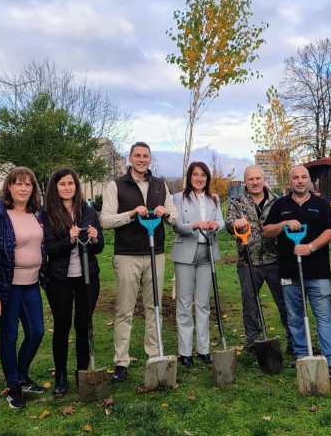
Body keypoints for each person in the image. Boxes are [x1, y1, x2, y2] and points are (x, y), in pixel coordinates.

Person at [100, 142, 178, 383]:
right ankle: (121, 361)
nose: (141, 159)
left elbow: (175, 217)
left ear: (150, 160)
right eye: (137, 156)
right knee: (124, 309)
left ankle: (154, 355)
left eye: (145, 156)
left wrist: (166, 213)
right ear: (130, 158)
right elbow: (105, 220)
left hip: (155, 254)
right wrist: (132, 213)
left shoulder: (160, 185)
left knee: (154, 306)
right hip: (127, 255)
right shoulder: (116, 185)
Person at [263, 166, 331, 379]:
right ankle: (301, 355)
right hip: (290, 271)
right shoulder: (280, 205)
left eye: (304, 177)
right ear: (289, 182)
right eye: (295, 178)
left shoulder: (321, 204)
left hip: (318, 272)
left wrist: (310, 247)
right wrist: (283, 223)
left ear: (310, 181)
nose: (300, 181)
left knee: (323, 315)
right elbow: (266, 231)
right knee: (295, 316)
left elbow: (330, 231)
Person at [0, 167, 47, 409]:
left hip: (31, 285)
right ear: (9, 186)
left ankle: (22, 375)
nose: (23, 188)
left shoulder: (37, 212)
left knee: (36, 332)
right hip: (7, 287)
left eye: (28, 184)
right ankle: (13, 386)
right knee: (9, 336)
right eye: (18, 184)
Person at [43, 168, 104, 396]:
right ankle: (61, 376)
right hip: (60, 279)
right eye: (62, 184)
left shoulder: (87, 212)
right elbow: (50, 249)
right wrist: (69, 240)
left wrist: (95, 239)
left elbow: (99, 247)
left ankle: (82, 372)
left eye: (71, 183)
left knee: (83, 326)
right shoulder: (49, 215)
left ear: (76, 187)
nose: (67, 188)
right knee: (61, 327)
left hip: (87, 278)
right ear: (55, 187)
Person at [225, 165, 292, 355]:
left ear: (263, 179)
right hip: (248, 262)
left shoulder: (276, 202)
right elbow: (230, 225)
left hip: (275, 260)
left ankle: (293, 341)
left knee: (285, 302)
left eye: (258, 178)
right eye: (250, 179)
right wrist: (235, 223)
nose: (255, 182)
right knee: (250, 305)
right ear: (245, 181)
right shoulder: (237, 203)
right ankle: (254, 344)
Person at [170, 162, 225, 367]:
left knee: (202, 303)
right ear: (189, 177)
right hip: (185, 254)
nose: (199, 178)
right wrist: (196, 225)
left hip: (207, 254)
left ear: (207, 178)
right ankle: (185, 351)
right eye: (195, 174)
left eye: (203, 175)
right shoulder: (178, 198)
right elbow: (177, 226)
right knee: (184, 303)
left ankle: (204, 348)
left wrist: (215, 225)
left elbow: (220, 222)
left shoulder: (214, 199)